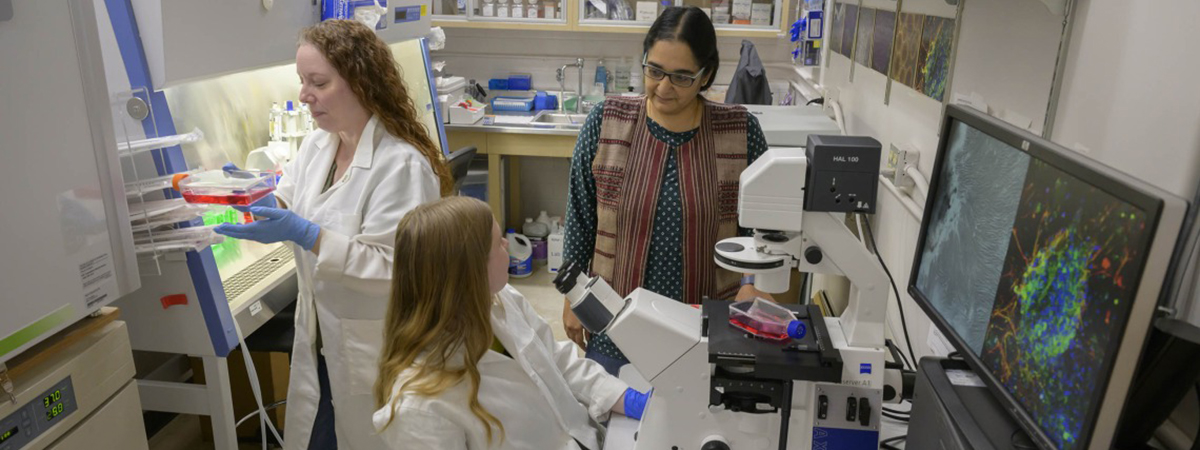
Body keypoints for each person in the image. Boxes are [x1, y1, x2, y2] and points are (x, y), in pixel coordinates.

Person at [214, 20, 452, 450]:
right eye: (302, 81)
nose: (304, 95)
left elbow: (396, 269)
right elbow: (288, 198)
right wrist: (250, 194)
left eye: (318, 83)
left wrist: (310, 236)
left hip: (375, 347)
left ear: (360, 82)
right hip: (323, 342)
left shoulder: (401, 165)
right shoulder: (319, 146)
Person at [561, 6, 773, 375]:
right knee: (615, 423)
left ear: (706, 75)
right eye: (654, 70)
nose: (663, 86)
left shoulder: (740, 133)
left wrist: (754, 284)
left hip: (709, 329)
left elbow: (764, 228)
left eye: (681, 77)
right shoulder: (606, 123)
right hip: (614, 324)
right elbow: (581, 218)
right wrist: (574, 297)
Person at [372, 196, 649, 450]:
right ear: (469, 274)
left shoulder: (501, 300)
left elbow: (557, 360)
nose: (507, 244)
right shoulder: (418, 406)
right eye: (497, 244)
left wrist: (621, 396)